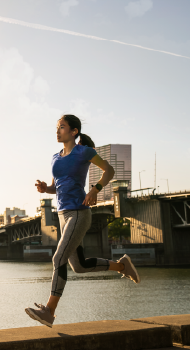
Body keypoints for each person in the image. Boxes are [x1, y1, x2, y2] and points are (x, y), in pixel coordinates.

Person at [25, 114, 140, 328]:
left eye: (62, 127)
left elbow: (110, 170)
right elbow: (56, 187)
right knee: (79, 266)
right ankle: (122, 265)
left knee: (58, 258)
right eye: (57, 127)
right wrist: (45, 189)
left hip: (79, 213)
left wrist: (96, 189)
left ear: (74, 131)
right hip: (62, 214)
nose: (57, 131)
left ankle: (49, 311)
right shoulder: (55, 157)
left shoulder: (84, 152)